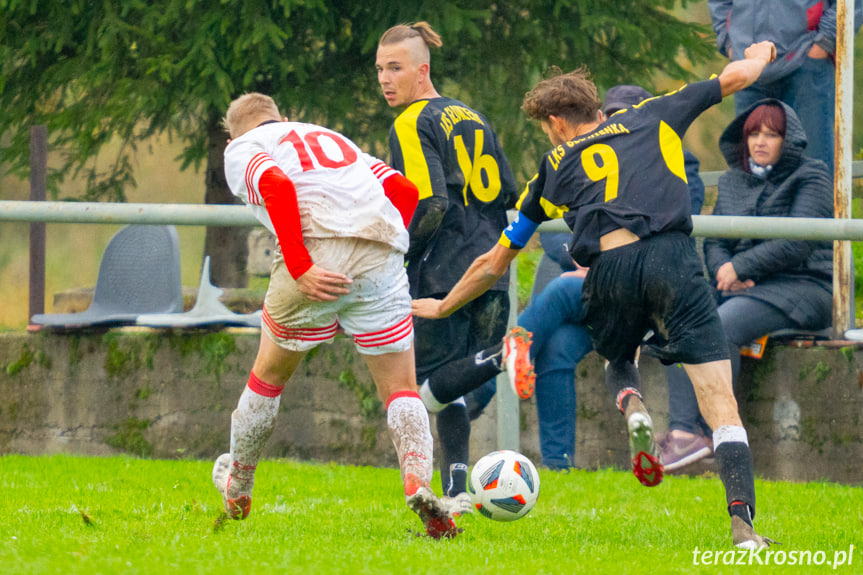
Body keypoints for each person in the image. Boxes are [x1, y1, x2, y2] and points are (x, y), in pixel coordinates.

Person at [412, 41, 780, 548]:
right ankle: (743, 526)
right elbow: (734, 77)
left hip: (608, 272)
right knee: (720, 403)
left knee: (616, 358)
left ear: (557, 123)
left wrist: (442, 303)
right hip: (672, 259)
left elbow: (495, 260)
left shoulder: (553, 164)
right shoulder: (652, 113)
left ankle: (632, 407)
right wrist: (761, 55)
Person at [212, 92, 460, 540]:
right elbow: (403, 190)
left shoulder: (242, 148)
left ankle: (239, 483)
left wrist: (302, 265)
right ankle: (419, 481)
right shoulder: (330, 137)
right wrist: (382, 261)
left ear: (233, 132)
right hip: (382, 248)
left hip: (313, 245)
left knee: (268, 375)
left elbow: (277, 187)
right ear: (281, 116)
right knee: (401, 386)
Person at [375, 21, 532, 510]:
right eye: (379, 69)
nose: (385, 79)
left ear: (423, 71)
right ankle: (458, 492)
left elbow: (432, 203)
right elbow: (507, 189)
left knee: (424, 393)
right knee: (450, 392)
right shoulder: (473, 115)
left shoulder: (410, 122)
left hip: (442, 268)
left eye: (395, 68)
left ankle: (505, 355)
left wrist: (400, 253)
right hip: (491, 261)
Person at [525, 84, 707, 471]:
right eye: (612, 114)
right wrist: (581, 254)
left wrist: (608, 247)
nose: (616, 124)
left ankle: (508, 351)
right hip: (595, 278)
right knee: (557, 348)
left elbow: (674, 216)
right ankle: (558, 463)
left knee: (559, 292)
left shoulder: (670, 152)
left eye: (627, 114)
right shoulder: (577, 156)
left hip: (649, 278)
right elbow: (552, 229)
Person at [661, 100, 833, 472]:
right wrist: (725, 267)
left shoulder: (812, 175)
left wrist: (740, 266)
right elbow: (715, 239)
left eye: (771, 134)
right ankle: (683, 436)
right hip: (742, 286)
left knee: (722, 327)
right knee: (682, 313)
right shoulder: (732, 180)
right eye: (754, 133)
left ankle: (722, 439)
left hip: (803, 287)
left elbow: (798, 242)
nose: (760, 141)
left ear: (789, 140)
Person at [708, 0, 863, 172]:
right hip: (748, 64)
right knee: (751, 172)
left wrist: (825, 41)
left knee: (814, 167)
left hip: (805, 61)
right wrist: (730, 43)